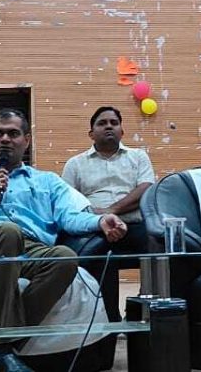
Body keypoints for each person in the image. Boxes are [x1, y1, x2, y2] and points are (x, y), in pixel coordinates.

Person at [0, 109, 128, 372]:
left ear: (26, 140)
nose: (5, 139)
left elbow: (70, 216)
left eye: (13, 133)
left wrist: (100, 221)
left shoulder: (47, 182)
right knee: (7, 232)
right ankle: (2, 350)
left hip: (31, 251)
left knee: (65, 257)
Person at [62, 106, 157, 320]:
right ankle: (109, 320)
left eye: (114, 123)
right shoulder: (75, 164)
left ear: (122, 131)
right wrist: (100, 218)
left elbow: (146, 189)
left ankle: (143, 311)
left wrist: (111, 211)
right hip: (96, 229)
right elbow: (67, 201)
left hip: (134, 226)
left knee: (159, 244)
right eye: (102, 123)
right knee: (100, 256)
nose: (109, 127)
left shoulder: (138, 157)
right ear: (91, 133)